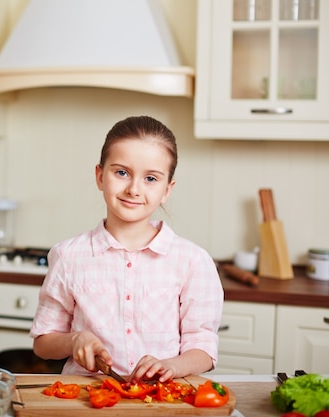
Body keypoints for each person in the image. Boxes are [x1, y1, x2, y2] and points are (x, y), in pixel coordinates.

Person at [30, 115, 223, 382]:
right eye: (121, 173)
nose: (133, 189)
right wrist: (75, 339)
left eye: (151, 178)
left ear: (167, 189)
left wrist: (172, 366)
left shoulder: (193, 261)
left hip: (161, 402)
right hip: (86, 402)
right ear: (100, 176)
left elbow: (203, 349)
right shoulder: (68, 256)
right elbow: (43, 343)